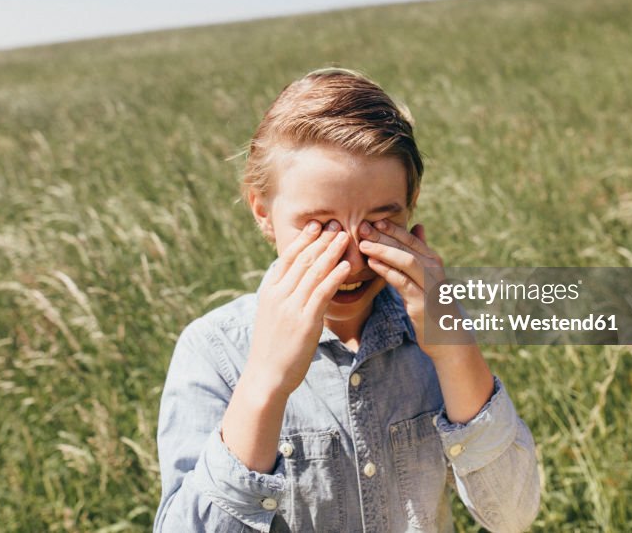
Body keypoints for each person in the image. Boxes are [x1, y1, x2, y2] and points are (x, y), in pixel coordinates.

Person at [154, 68, 541, 532]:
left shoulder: (437, 325)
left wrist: (454, 349)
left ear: (411, 203)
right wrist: (265, 383)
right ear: (263, 212)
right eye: (320, 225)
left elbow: (513, 516)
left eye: (381, 221)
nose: (353, 258)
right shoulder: (214, 350)